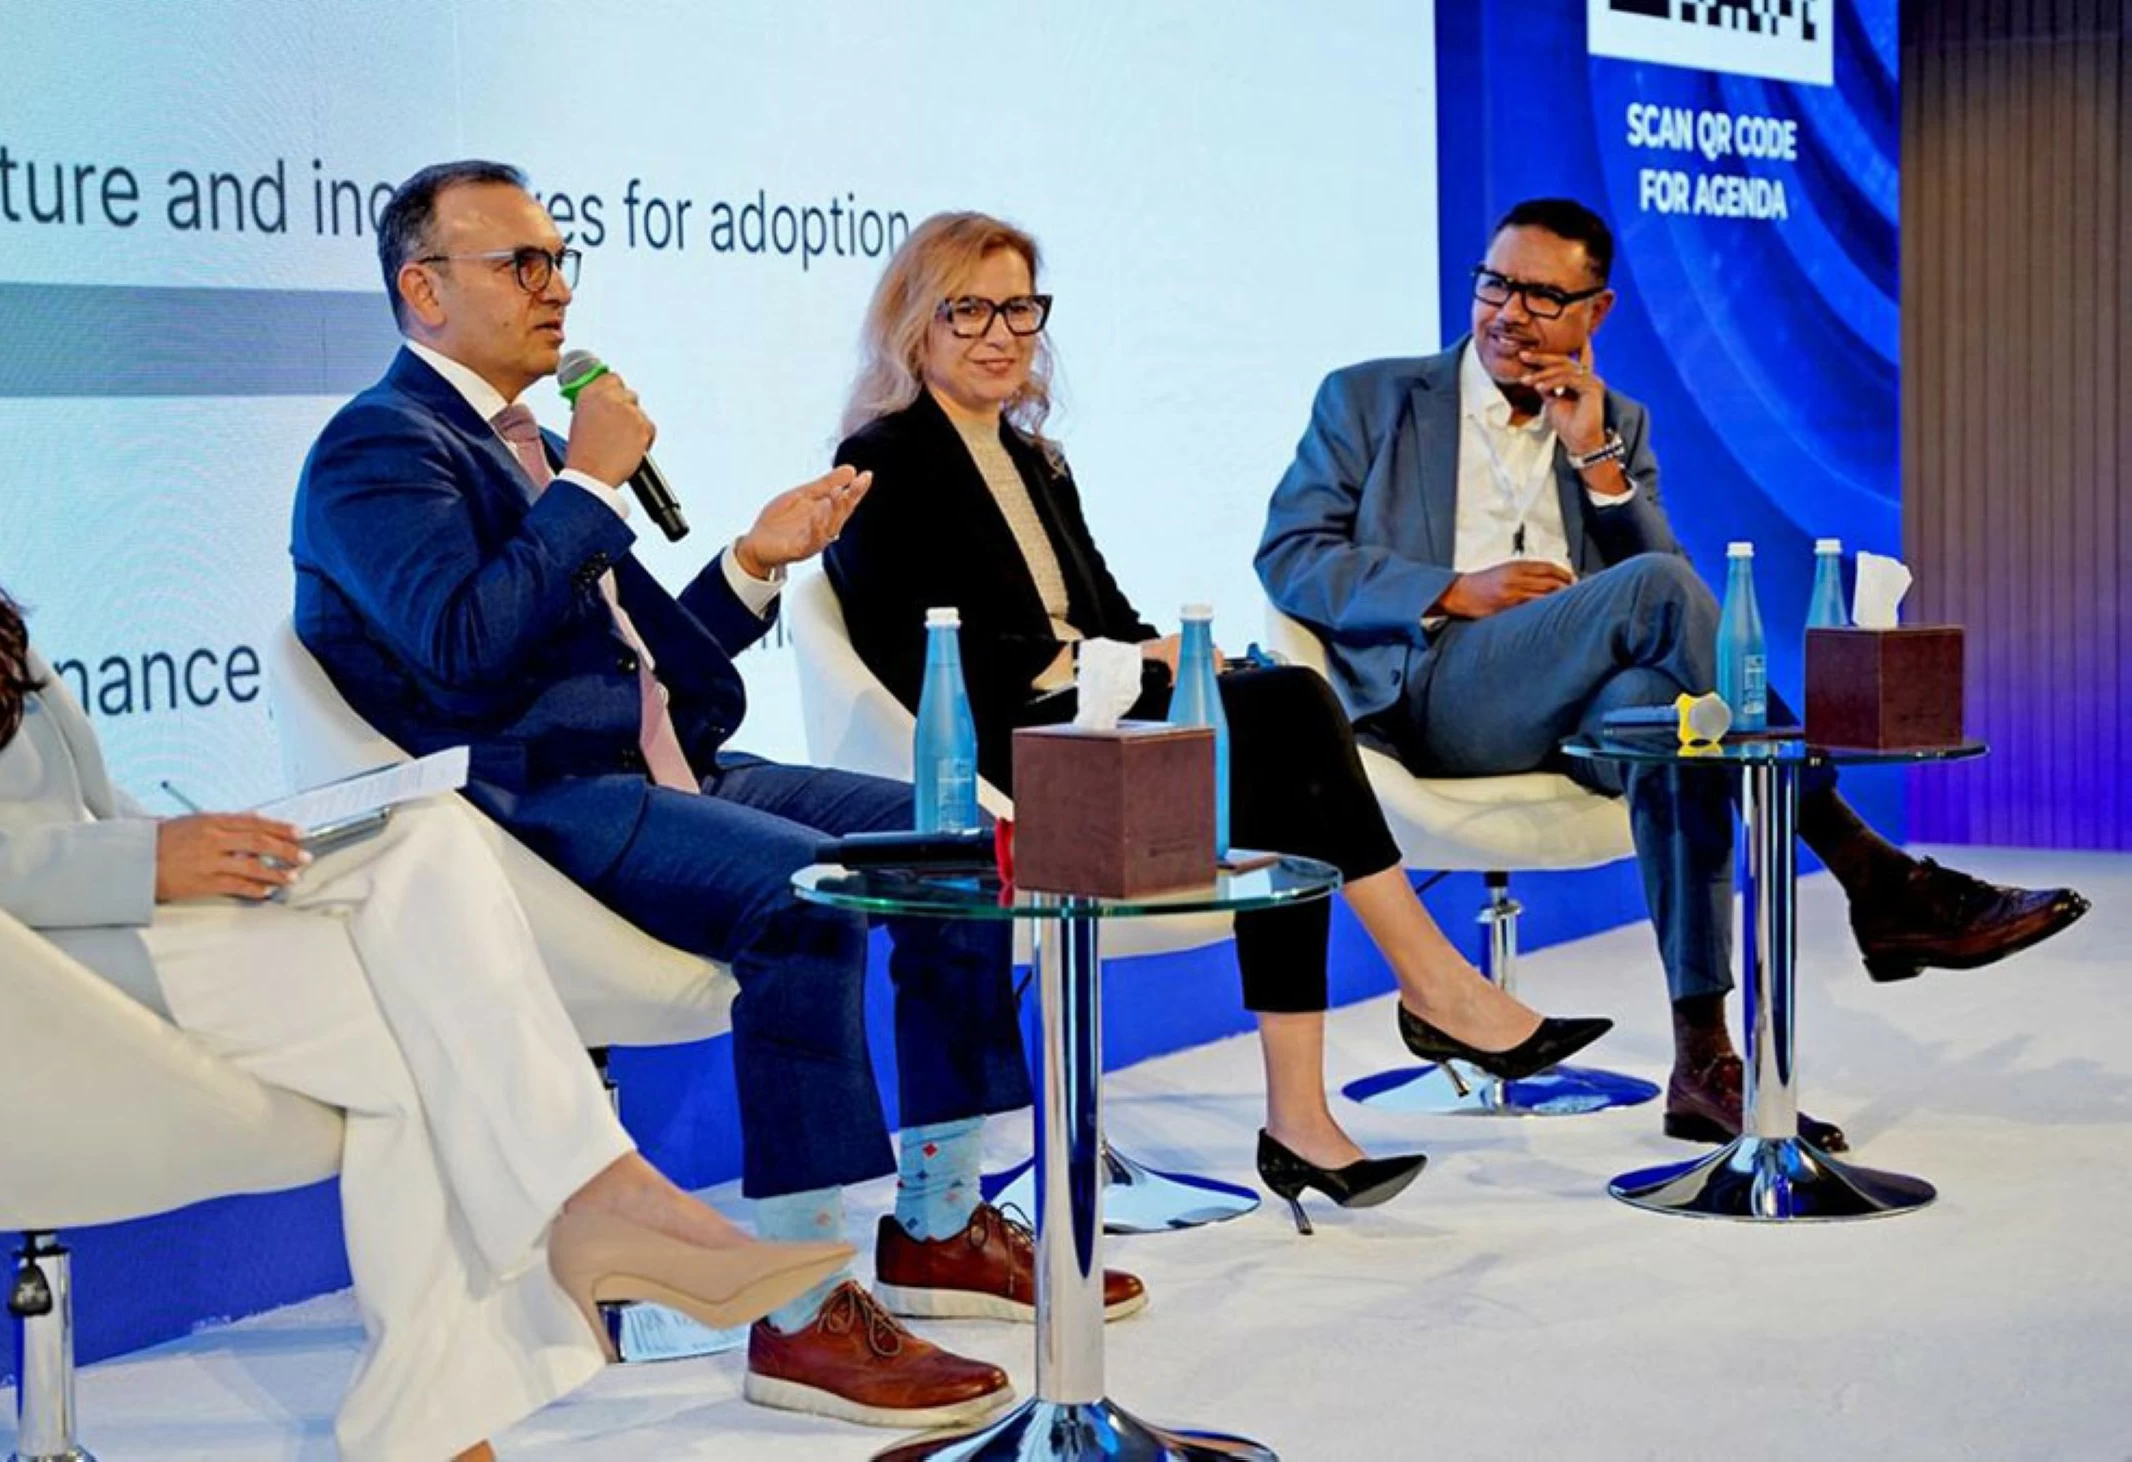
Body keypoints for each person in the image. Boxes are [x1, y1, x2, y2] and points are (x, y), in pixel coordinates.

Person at [0, 213, 854, 1462]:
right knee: (428, 1024)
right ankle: (564, 1255)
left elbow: (55, 801)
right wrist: (146, 864)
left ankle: (516, 1321)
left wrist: (185, 840)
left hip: (92, 911)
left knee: (423, 847)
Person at [290, 161, 1146, 1432]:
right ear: (422, 289)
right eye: (521, 263)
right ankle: (799, 1307)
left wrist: (751, 560)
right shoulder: (379, 448)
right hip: (529, 801)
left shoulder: (527, 443)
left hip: (654, 764)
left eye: (559, 259)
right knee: (808, 892)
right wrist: (588, 487)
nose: (556, 287)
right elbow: (462, 649)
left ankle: (939, 1217)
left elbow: (647, 665)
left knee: (961, 840)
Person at [825, 211, 1613, 1228]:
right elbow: (933, 659)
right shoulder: (884, 458)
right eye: (967, 310)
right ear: (914, 324)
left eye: (1019, 308)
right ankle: (1429, 994)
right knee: (1291, 712)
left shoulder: (1033, 458)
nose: (1000, 333)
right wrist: (1122, 664)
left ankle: (1307, 1114)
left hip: (1096, 724)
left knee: (1286, 753)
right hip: (1004, 765)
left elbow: (1108, 616)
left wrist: (1174, 659)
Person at [1257, 197, 2091, 1151]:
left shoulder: (1616, 423)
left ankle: (1703, 1062)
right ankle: (1870, 867)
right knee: (1658, 596)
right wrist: (1453, 588)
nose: (1509, 313)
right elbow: (1291, 555)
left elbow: (1675, 604)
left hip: (1577, 709)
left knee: (1676, 717)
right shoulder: (1371, 398)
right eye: (1495, 285)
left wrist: (1596, 462)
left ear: (1595, 311)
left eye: (1541, 296)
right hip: (1438, 694)